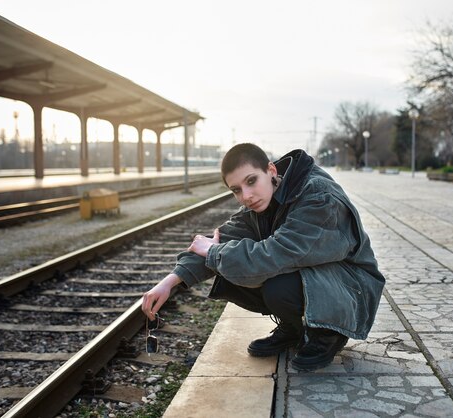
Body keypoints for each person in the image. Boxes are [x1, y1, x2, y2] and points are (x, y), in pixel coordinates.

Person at [141, 143, 385, 371]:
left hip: (352, 288)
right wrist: (170, 281)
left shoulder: (318, 196)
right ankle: (294, 329)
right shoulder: (266, 198)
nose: (246, 196)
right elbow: (222, 238)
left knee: (273, 281)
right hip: (324, 279)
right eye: (236, 190)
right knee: (236, 265)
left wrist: (215, 253)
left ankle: (329, 334)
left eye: (251, 181)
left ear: (270, 169)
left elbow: (275, 254)